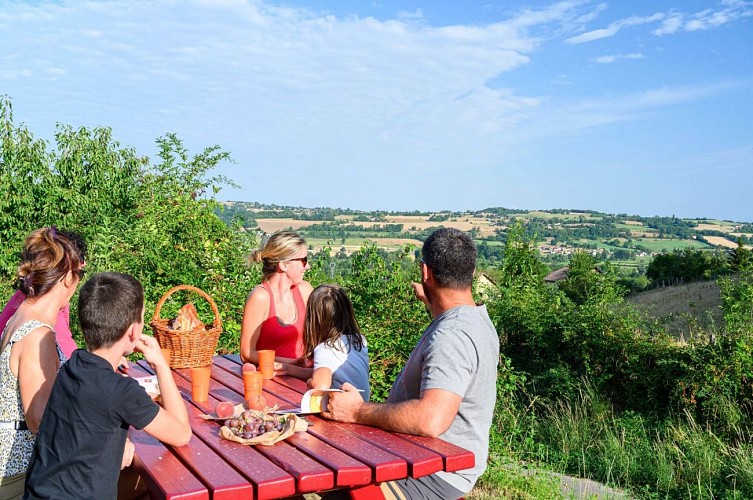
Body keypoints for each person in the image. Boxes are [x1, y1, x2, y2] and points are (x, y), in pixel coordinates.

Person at [325, 228, 500, 499]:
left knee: (332, 476)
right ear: (472, 272)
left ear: (425, 272)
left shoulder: (451, 335)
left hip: (433, 473)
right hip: (431, 460)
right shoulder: (476, 318)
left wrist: (357, 411)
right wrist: (432, 300)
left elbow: (431, 419)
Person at [23, 272, 191, 499]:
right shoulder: (121, 391)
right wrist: (160, 364)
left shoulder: (73, 365)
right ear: (133, 330)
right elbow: (181, 434)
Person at [0, 227, 85, 500]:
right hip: (18, 473)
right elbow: (39, 419)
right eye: (79, 275)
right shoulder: (39, 333)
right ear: (66, 276)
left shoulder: (21, 315)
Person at [0, 231, 87, 360]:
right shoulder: (40, 328)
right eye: (80, 273)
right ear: (68, 276)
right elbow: (69, 358)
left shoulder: (25, 302)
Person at [240, 231, 314, 379]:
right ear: (284, 265)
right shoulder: (260, 297)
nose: (308, 267)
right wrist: (291, 363)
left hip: (303, 377)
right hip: (271, 380)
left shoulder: (305, 291)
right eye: (303, 261)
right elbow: (246, 353)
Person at [303, 284, 370, 402]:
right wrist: (287, 369)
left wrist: (310, 382)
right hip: (362, 407)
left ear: (314, 321)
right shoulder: (359, 340)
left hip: (341, 413)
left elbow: (320, 386)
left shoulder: (325, 348)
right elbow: (331, 370)